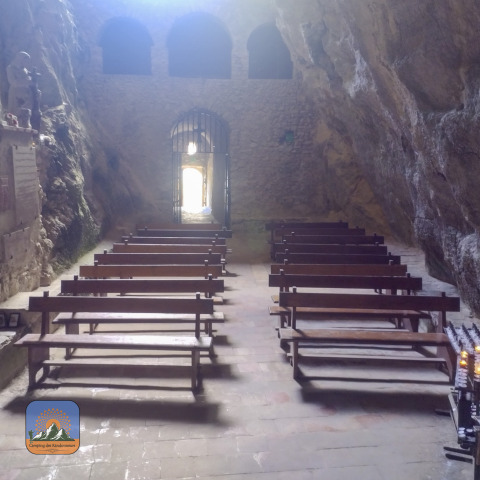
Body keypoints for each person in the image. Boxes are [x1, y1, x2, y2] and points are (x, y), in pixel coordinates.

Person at [6, 51, 33, 118]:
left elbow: (29, 81)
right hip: (15, 93)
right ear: (20, 59)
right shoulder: (10, 68)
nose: (26, 63)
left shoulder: (25, 70)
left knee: (25, 113)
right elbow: (12, 82)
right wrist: (26, 81)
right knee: (15, 113)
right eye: (25, 61)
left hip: (26, 95)